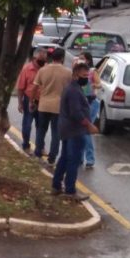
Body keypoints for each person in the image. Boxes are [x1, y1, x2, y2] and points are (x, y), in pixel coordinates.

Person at [52, 63, 98, 201]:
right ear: (76, 74)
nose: (86, 78)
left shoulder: (74, 89)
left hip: (68, 129)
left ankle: (56, 185)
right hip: (74, 130)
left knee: (65, 157)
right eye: (84, 75)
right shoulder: (73, 90)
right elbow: (75, 112)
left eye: (87, 75)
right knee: (74, 160)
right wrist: (89, 125)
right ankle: (70, 190)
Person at [32, 47, 72, 165]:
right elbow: (70, 90)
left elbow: (35, 87)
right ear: (63, 58)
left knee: (41, 130)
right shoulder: (68, 73)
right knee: (56, 133)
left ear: (52, 57)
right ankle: (52, 157)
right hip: (59, 107)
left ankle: (38, 152)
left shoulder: (43, 70)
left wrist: (32, 100)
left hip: (44, 104)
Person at [15, 48, 46, 151]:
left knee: (41, 125)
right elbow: (20, 87)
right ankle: (26, 144)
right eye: (40, 59)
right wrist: (20, 103)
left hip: (42, 100)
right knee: (27, 124)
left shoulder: (46, 69)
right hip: (29, 100)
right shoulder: (27, 69)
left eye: (44, 59)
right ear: (34, 58)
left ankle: (40, 146)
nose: (42, 62)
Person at [77, 52, 101, 168]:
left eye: (82, 59)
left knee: (86, 130)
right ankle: (80, 157)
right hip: (81, 102)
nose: (80, 60)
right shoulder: (77, 72)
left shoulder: (92, 71)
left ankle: (89, 158)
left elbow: (99, 84)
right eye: (79, 58)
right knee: (81, 130)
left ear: (88, 60)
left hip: (91, 103)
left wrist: (93, 86)